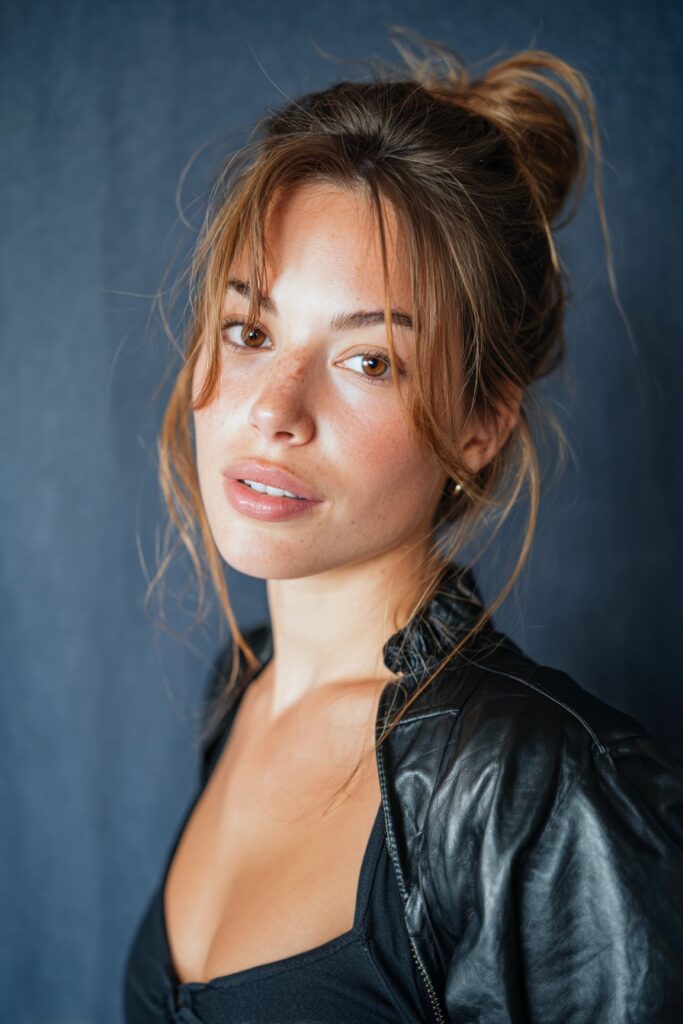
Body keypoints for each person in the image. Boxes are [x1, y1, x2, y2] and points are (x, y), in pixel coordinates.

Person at [122, 27, 683, 1023]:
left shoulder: (543, 788)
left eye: (367, 358)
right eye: (250, 331)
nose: (275, 408)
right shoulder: (239, 688)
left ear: (478, 426)